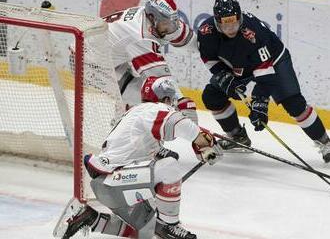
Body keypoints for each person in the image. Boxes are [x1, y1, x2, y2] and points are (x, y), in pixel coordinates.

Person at [54, 76, 223, 239]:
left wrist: (200, 145)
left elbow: (149, 150)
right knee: (169, 167)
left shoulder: (137, 113)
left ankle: (90, 218)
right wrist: (208, 143)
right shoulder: (155, 109)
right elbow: (191, 131)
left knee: (149, 231)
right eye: (170, 100)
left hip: (110, 186)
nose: (172, 104)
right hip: (115, 180)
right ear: (164, 99)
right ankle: (169, 225)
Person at [197, 0, 330, 162]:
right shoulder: (206, 32)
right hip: (239, 65)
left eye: (234, 22)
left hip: (274, 60)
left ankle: (326, 144)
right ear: (217, 22)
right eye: (225, 23)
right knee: (212, 96)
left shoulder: (253, 33)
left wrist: (260, 103)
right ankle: (237, 137)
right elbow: (209, 58)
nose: (230, 27)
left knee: (293, 103)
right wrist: (222, 75)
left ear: (240, 18)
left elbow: (264, 73)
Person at [103, 0, 198, 123]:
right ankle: (121, 131)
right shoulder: (139, 34)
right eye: (167, 24)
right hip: (88, 61)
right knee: (145, 95)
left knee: (138, 93)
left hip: (109, 57)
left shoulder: (159, 21)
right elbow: (161, 80)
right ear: (153, 18)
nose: (171, 28)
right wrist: (181, 102)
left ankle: (121, 128)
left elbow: (192, 40)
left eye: (173, 22)